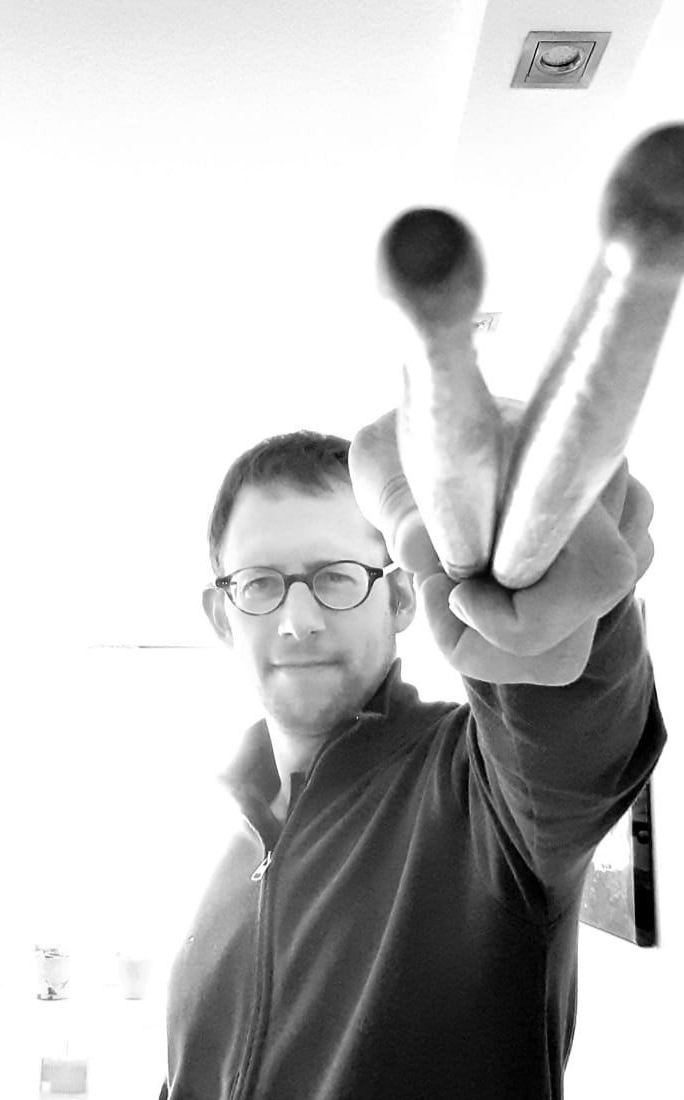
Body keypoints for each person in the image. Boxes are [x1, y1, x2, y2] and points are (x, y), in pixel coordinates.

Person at [159, 413, 666, 1100]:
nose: (298, 621)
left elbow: (570, 732)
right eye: (258, 584)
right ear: (223, 617)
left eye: (337, 577)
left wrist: (552, 582)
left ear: (400, 598)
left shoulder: (480, 795)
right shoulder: (227, 854)